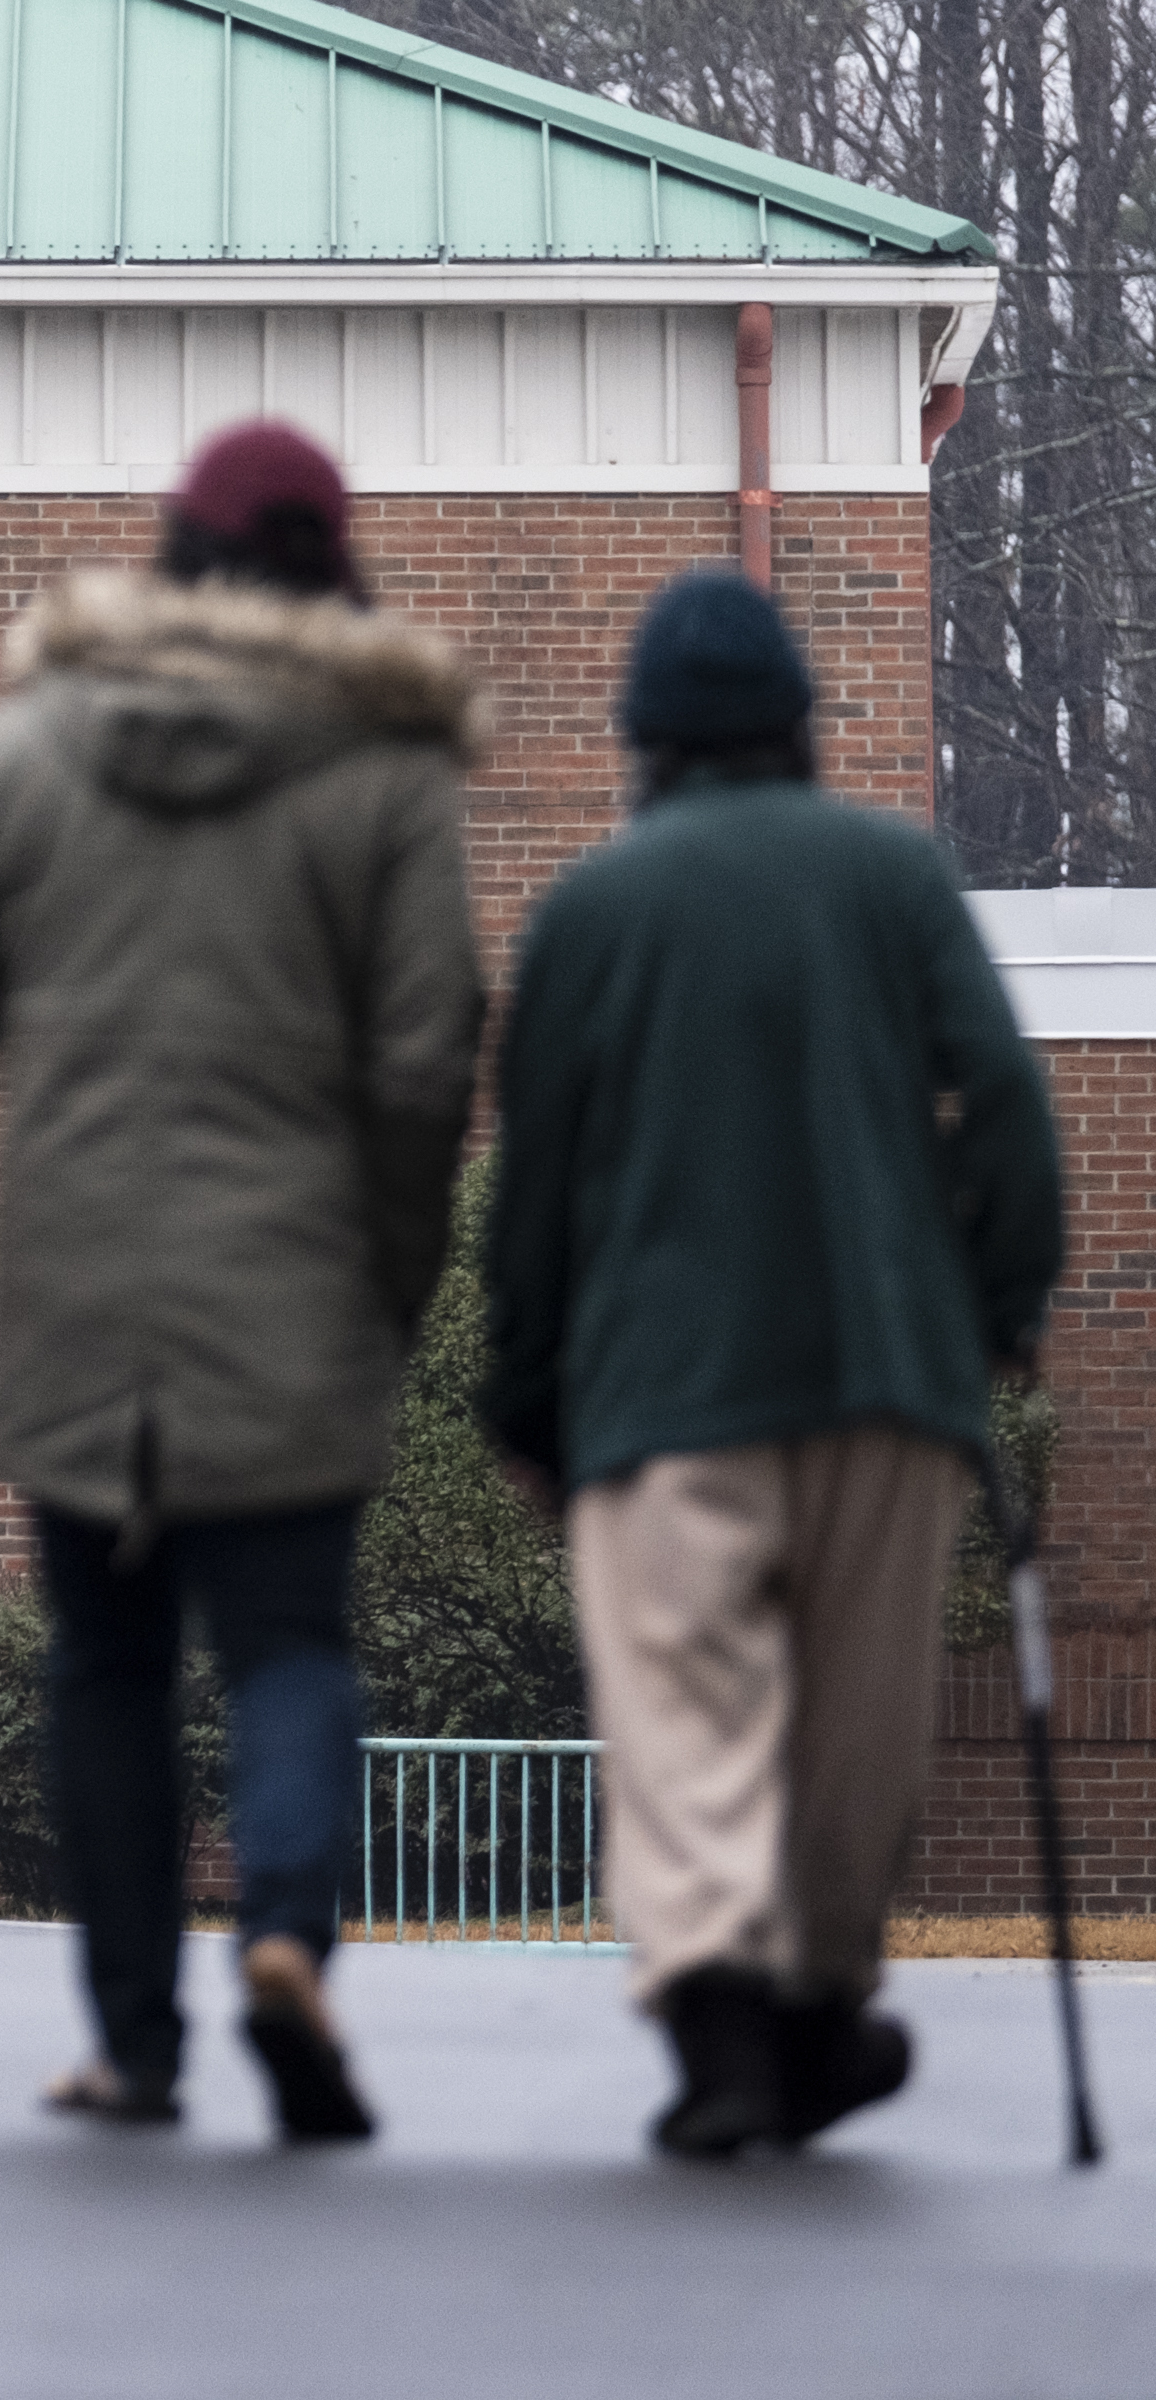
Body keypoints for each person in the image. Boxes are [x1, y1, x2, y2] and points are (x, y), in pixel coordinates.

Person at [0, 421, 486, 2143]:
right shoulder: (384, 772)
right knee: (285, 1642)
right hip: (296, 1292)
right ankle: (284, 1932)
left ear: (171, 558)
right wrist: (397, 1275)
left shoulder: (24, 753)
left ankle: (135, 2043)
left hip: (81, 1301)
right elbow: (431, 1061)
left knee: (104, 1666)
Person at [480, 569, 1064, 2159]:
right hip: (887, 1378)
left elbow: (533, 1195)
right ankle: (819, 2006)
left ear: (645, 744)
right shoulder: (894, 877)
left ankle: (725, 2025)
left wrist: (524, 1395)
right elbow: (1008, 1109)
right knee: (854, 1725)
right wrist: (997, 1311)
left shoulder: (592, 913)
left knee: (686, 1714)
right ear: (801, 724)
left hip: (665, 1398)